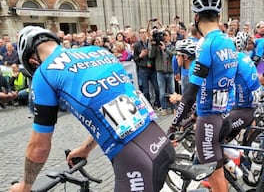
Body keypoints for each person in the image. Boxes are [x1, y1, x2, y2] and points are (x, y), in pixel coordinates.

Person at [9, 26, 175, 192]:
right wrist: (84, 149)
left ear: (32, 62)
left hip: (136, 162)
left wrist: (25, 186)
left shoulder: (44, 74)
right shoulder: (98, 51)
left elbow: (39, 146)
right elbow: (112, 116)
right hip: (160, 144)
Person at [168, 0, 238, 191]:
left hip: (208, 121)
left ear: (196, 17)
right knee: (218, 173)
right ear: (219, 16)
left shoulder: (205, 45)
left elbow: (191, 92)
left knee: (216, 181)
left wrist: (173, 127)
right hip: (224, 115)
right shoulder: (228, 42)